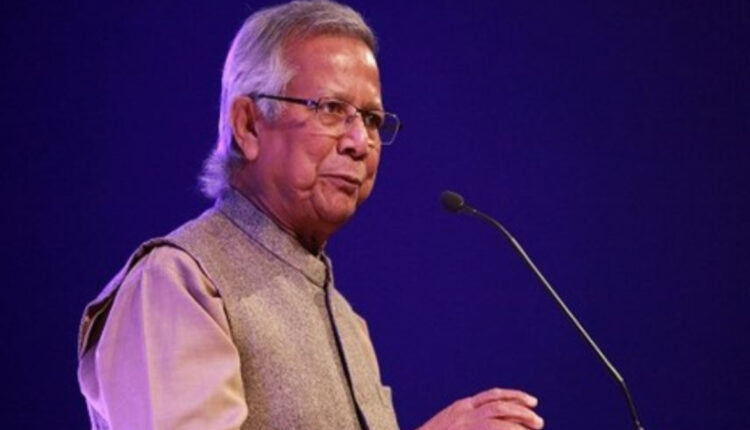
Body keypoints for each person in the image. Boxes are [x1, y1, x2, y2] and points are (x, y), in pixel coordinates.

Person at [77, 1, 544, 429]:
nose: (360, 142)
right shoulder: (176, 283)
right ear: (249, 125)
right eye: (332, 109)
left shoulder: (348, 323)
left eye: (372, 119)